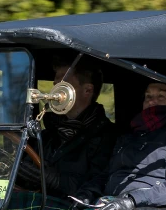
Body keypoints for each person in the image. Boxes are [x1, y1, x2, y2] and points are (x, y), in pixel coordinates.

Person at [51, 80, 166, 210]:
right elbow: (105, 175)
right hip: (107, 202)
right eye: (148, 97)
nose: (152, 102)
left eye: (161, 97)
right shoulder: (129, 137)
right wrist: (86, 193)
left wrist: (131, 202)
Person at [14, 59, 116, 197]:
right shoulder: (47, 134)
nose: (54, 91)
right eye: (55, 85)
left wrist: (54, 180)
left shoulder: (109, 137)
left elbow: (97, 186)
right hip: (34, 205)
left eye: (63, 86)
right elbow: (21, 172)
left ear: (87, 90)